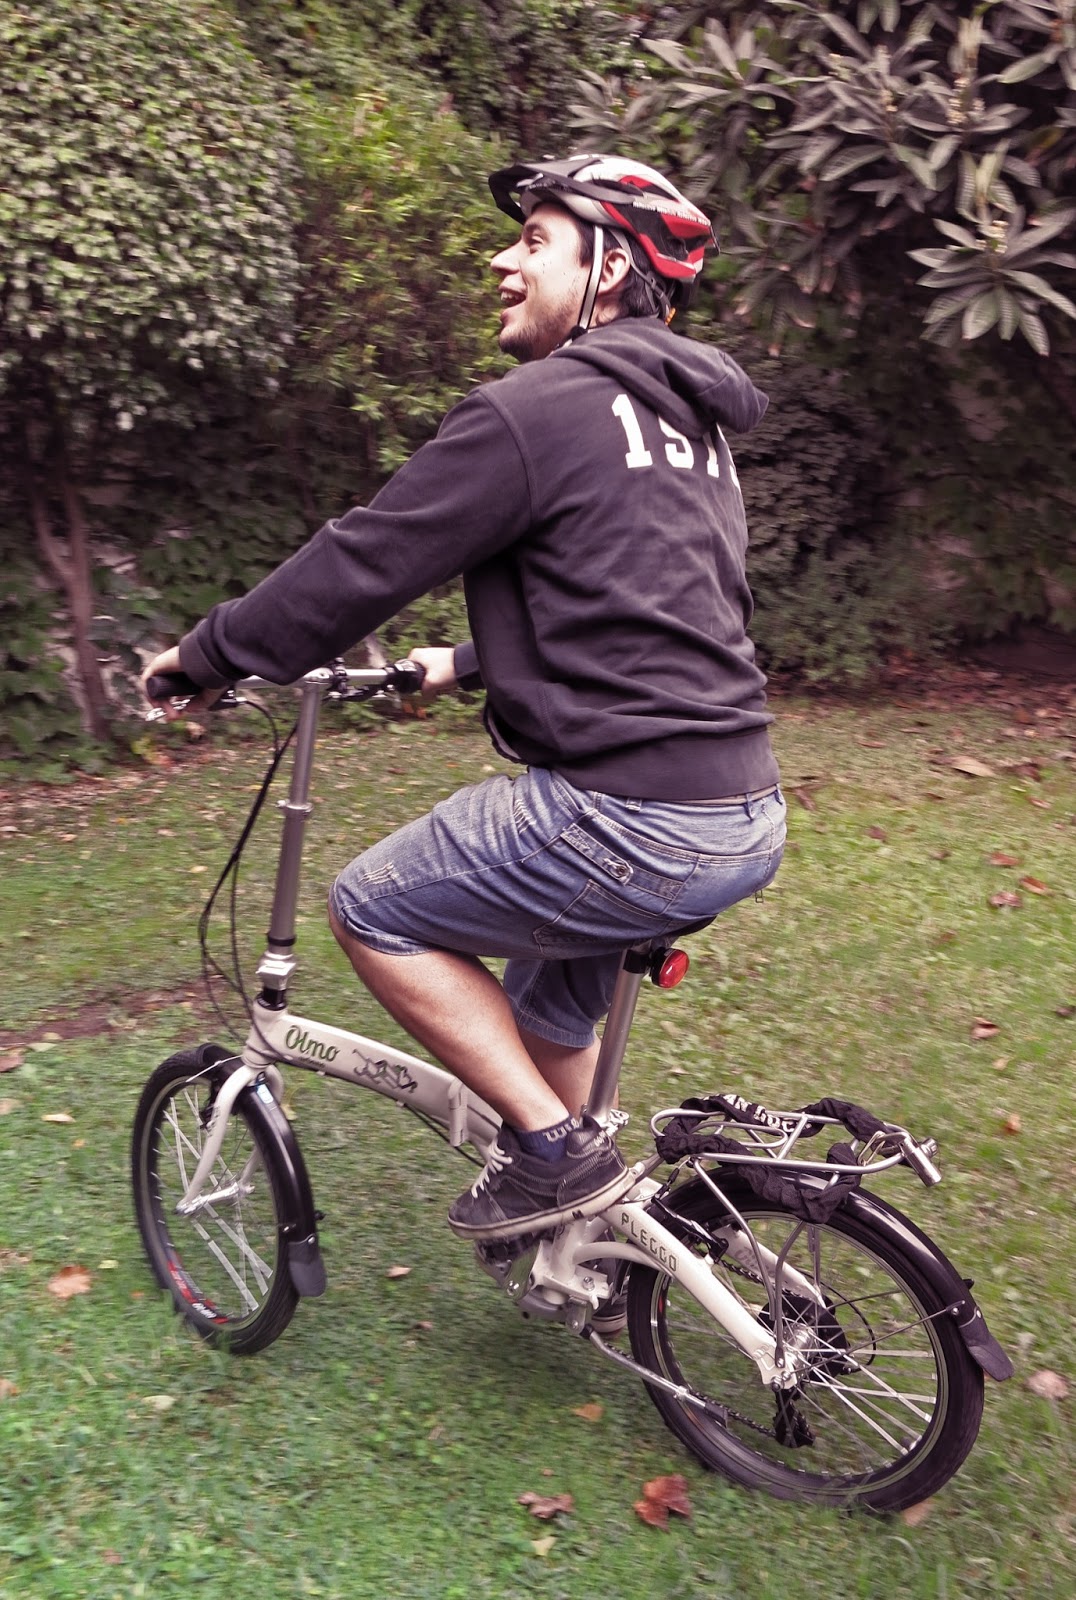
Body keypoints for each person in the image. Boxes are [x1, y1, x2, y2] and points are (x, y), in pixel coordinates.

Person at [143, 154, 786, 1244]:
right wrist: (468, 659)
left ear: (607, 271)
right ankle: (596, 1247)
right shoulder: (691, 430)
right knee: (547, 1007)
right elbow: (652, 601)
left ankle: (554, 1155)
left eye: (534, 240)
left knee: (372, 906)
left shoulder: (536, 410)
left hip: (627, 814)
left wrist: (203, 657)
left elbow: (363, 561)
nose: (501, 260)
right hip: (741, 809)